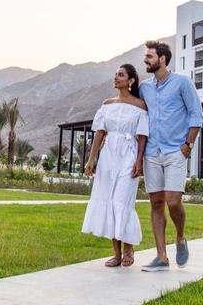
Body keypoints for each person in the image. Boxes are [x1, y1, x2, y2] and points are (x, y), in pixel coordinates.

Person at [138, 40, 203, 272]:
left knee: (173, 201)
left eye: (150, 57)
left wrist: (188, 144)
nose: (146, 60)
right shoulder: (144, 87)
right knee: (156, 203)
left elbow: (196, 115)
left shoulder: (182, 83)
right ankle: (162, 257)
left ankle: (180, 237)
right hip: (152, 153)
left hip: (176, 151)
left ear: (163, 58)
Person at [81, 63, 149, 267]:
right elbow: (99, 134)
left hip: (128, 156)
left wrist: (139, 161)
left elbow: (142, 136)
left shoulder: (140, 106)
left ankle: (129, 248)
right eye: (115, 74)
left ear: (131, 81)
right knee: (110, 202)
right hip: (108, 157)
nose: (116, 78)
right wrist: (91, 160)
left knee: (123, 202)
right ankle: (117, 254)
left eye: (121, 75)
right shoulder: (107, 104)